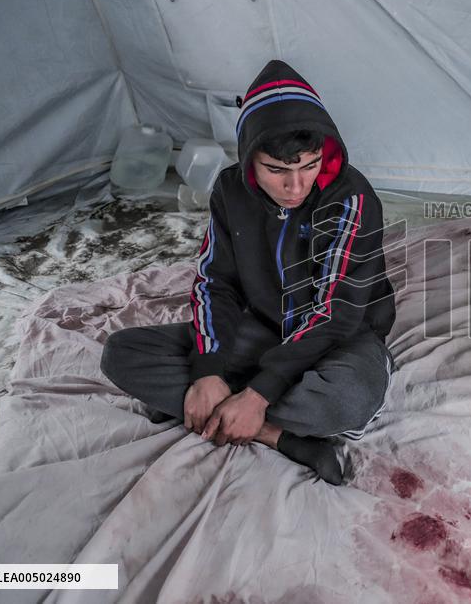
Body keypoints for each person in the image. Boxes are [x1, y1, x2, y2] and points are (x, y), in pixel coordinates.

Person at [100, 59, 397, 485]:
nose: (297, 187)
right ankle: (277, 434)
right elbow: (215, 282)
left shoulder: (352, 199)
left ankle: (222, 408)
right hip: (259, 330)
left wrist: (258, 393)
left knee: (347, 400)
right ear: (249, 160)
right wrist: (206, 370)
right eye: (278, 171)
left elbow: (337, 314)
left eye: (309, 166)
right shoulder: (229, 191)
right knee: (122, 353)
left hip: (339, 340)